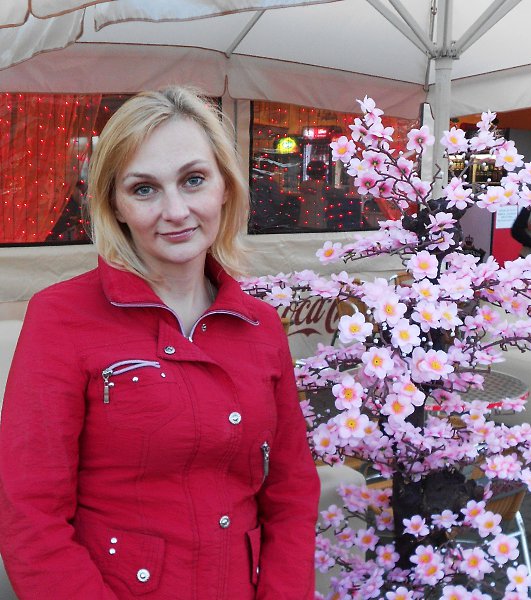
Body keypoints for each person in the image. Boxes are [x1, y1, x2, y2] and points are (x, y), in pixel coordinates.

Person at [0, 86, 320, 599]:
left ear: (224, 186)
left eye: (193, 180)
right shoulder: (61, 317)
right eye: (144, 189)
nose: (175, 210)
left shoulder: (259, 325)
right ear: (115, 205)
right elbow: (29, 513)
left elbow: (291, 494)